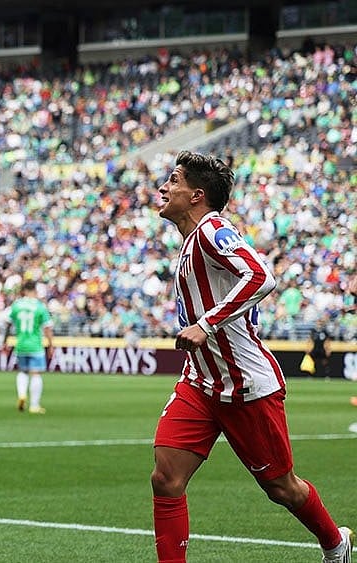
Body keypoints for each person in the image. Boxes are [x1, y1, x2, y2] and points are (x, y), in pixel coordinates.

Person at [150, 151, 352, 563]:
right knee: (166, 479)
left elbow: (261, 275)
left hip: (245, 385)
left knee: (282, 488)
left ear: (197, 196)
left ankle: (335, 543)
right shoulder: (191, 241)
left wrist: (205, 324)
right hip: (200, 383)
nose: (163, 187)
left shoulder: (213, 229)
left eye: (174, 180)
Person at [3, 279, 53, 414]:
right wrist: (50, 345)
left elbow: (7, 324)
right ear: (35, 290)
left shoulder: (16, 305)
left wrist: (5, 341)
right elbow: (47, 327)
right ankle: (34, 405)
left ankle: (22, 395)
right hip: (35, 345)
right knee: (36, 374)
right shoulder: (39, 306)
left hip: (21, 344)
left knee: (23, 371)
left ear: (23, 291)